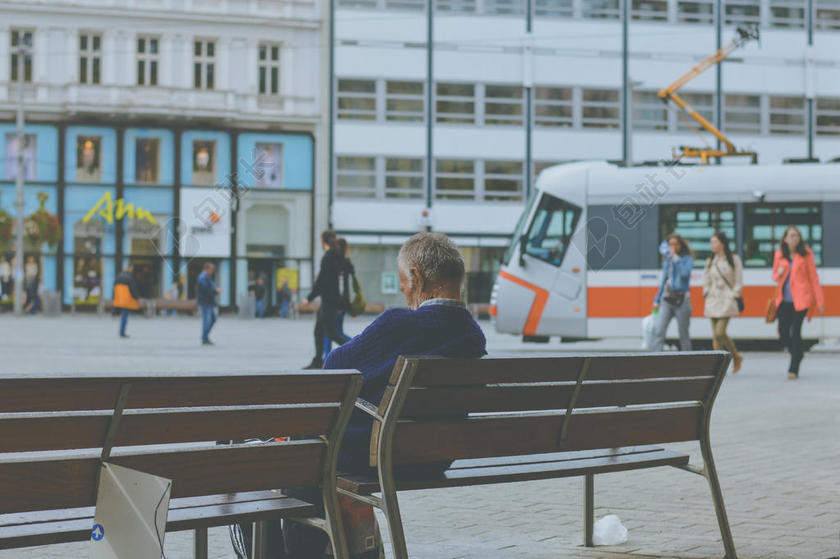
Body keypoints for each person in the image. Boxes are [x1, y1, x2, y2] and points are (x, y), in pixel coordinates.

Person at [254, 232, 487, 558]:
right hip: (433, 457)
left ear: (417, 277)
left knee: (297, 452)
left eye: (404, 283)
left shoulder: (399, 324)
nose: (405, 292)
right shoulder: (473, 337)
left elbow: (334, 366)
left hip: (379, 456)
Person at [772, 225, 824, 379]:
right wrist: (779, 273)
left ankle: (793, 368)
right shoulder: (779, 255)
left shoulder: (806, 254)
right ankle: (798, 353)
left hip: (801, 299)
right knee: (783, 334)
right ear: (785, 239)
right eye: (791, 235)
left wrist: (820, 301)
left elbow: (813, 278)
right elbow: (775, 276)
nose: (794, 238)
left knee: (795, 333)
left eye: (796, 235)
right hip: (784, 300)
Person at [303, 231, 350, 368]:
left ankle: (356, 350)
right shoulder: (337, 256)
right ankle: (318, 360)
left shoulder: (329, 257)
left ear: (323, 241)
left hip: (329, 300)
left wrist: (309, 298)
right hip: (330, 300)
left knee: (331, 332)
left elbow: (322, 281)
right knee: (319, 331)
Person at [703, 231, 744, 373]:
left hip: (727, 299)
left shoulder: (734, 259)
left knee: (720, 333)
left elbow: (738, 280)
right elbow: (706, 279)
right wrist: (706, 292)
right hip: (713, 299)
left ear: (722, 243)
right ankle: (718, 369)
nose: (712, 245)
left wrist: (734, 295)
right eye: (711, 242)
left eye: (714, 242)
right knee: (715, 335)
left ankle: (735, 356)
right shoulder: (710, 260)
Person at [652, 233, 694, 351]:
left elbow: (685, 274)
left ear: (681, 245)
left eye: (675, 244)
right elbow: (664, 280)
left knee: (683, 334)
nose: (673, 247)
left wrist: (676, 258)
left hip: (682, 300)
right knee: (659, 330)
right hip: (667, 299)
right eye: (670, 244)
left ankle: (688, 358)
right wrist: (657, 299)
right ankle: (655, 357)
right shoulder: (667, 259)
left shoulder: (687, 259)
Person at [323, 237, 354, 362]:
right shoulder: (345, 261)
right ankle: (328, 357)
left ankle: (356, 346)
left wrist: (339, 304)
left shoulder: (340, 263)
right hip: (341, 303)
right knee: (336, 331)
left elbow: (340, 286)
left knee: (330, 331)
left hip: (337, 304)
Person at [197, 262, 222, 345]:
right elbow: (206, 289)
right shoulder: (203, 277)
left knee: (212, 319)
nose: (213, 271)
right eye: (212, 269)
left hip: (209, 302)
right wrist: (216, 291)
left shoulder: (206, 277)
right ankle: (204, 338)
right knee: (207, 320)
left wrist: (215, 290)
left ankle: (205, 336)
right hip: (205, 302)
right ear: (207, 269)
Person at [114, 264, 139, 338]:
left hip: (119, 299)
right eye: (131, 268)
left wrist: (115, 298)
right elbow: (133, 289)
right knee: (125, 315)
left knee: (123, 314)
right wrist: (136, 298)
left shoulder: (118, 276)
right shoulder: (129, 277)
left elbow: (114, 288)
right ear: (129, 268)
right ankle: (122, 332)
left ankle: (121, 331)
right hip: (127, 299)